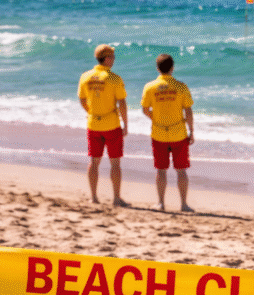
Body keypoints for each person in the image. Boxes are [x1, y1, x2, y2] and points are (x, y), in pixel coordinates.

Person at [141, 53, 195, 212]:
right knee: (181, 170)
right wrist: (191, 131)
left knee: (161, 170)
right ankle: (184, 204)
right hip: (178, 133)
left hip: (158, 133)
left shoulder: (150, 87)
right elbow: (189, 112)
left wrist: (155, 118)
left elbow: (145, 109)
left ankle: (160, 203)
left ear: (157, 68)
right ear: (172, 68)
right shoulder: (181, 86)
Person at [78, 44, 129, 207]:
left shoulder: (85, 76)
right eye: (112, 57)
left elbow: (82, 99)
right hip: (112, 125)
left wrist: (92, 112)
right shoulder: (114, 78)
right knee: (115, 163)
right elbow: (122, 103)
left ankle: (93, 197)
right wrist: (125, 124)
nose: (114, 60)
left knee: (94, 161)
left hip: (93, 123)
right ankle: (116, 198)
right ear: (107, 58)